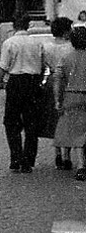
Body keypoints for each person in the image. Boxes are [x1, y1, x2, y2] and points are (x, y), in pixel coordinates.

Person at [0, 14, 45, 173]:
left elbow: (2, 67)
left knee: (11, 121)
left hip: (16, 82)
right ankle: (28, 160)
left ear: (14, 26)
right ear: (28, 26)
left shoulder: (9, 43)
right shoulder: (37, 43)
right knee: (31, 122)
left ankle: (16, 157)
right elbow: (42, 65)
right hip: (33, 82)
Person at [53, 27, 86, 181]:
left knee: (76, 130)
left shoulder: (66, 58)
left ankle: (79, 165)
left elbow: (58, 79)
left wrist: (57, 100)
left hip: (72, 95)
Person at [41, 17, 73, 169]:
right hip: (68, 81)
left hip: (52, 79)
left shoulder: (46, 46)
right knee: (68, 118)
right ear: (66, 30)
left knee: (55, 118)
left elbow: (43, 65)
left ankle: (57, 153)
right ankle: (67, 154)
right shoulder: (71, 47)